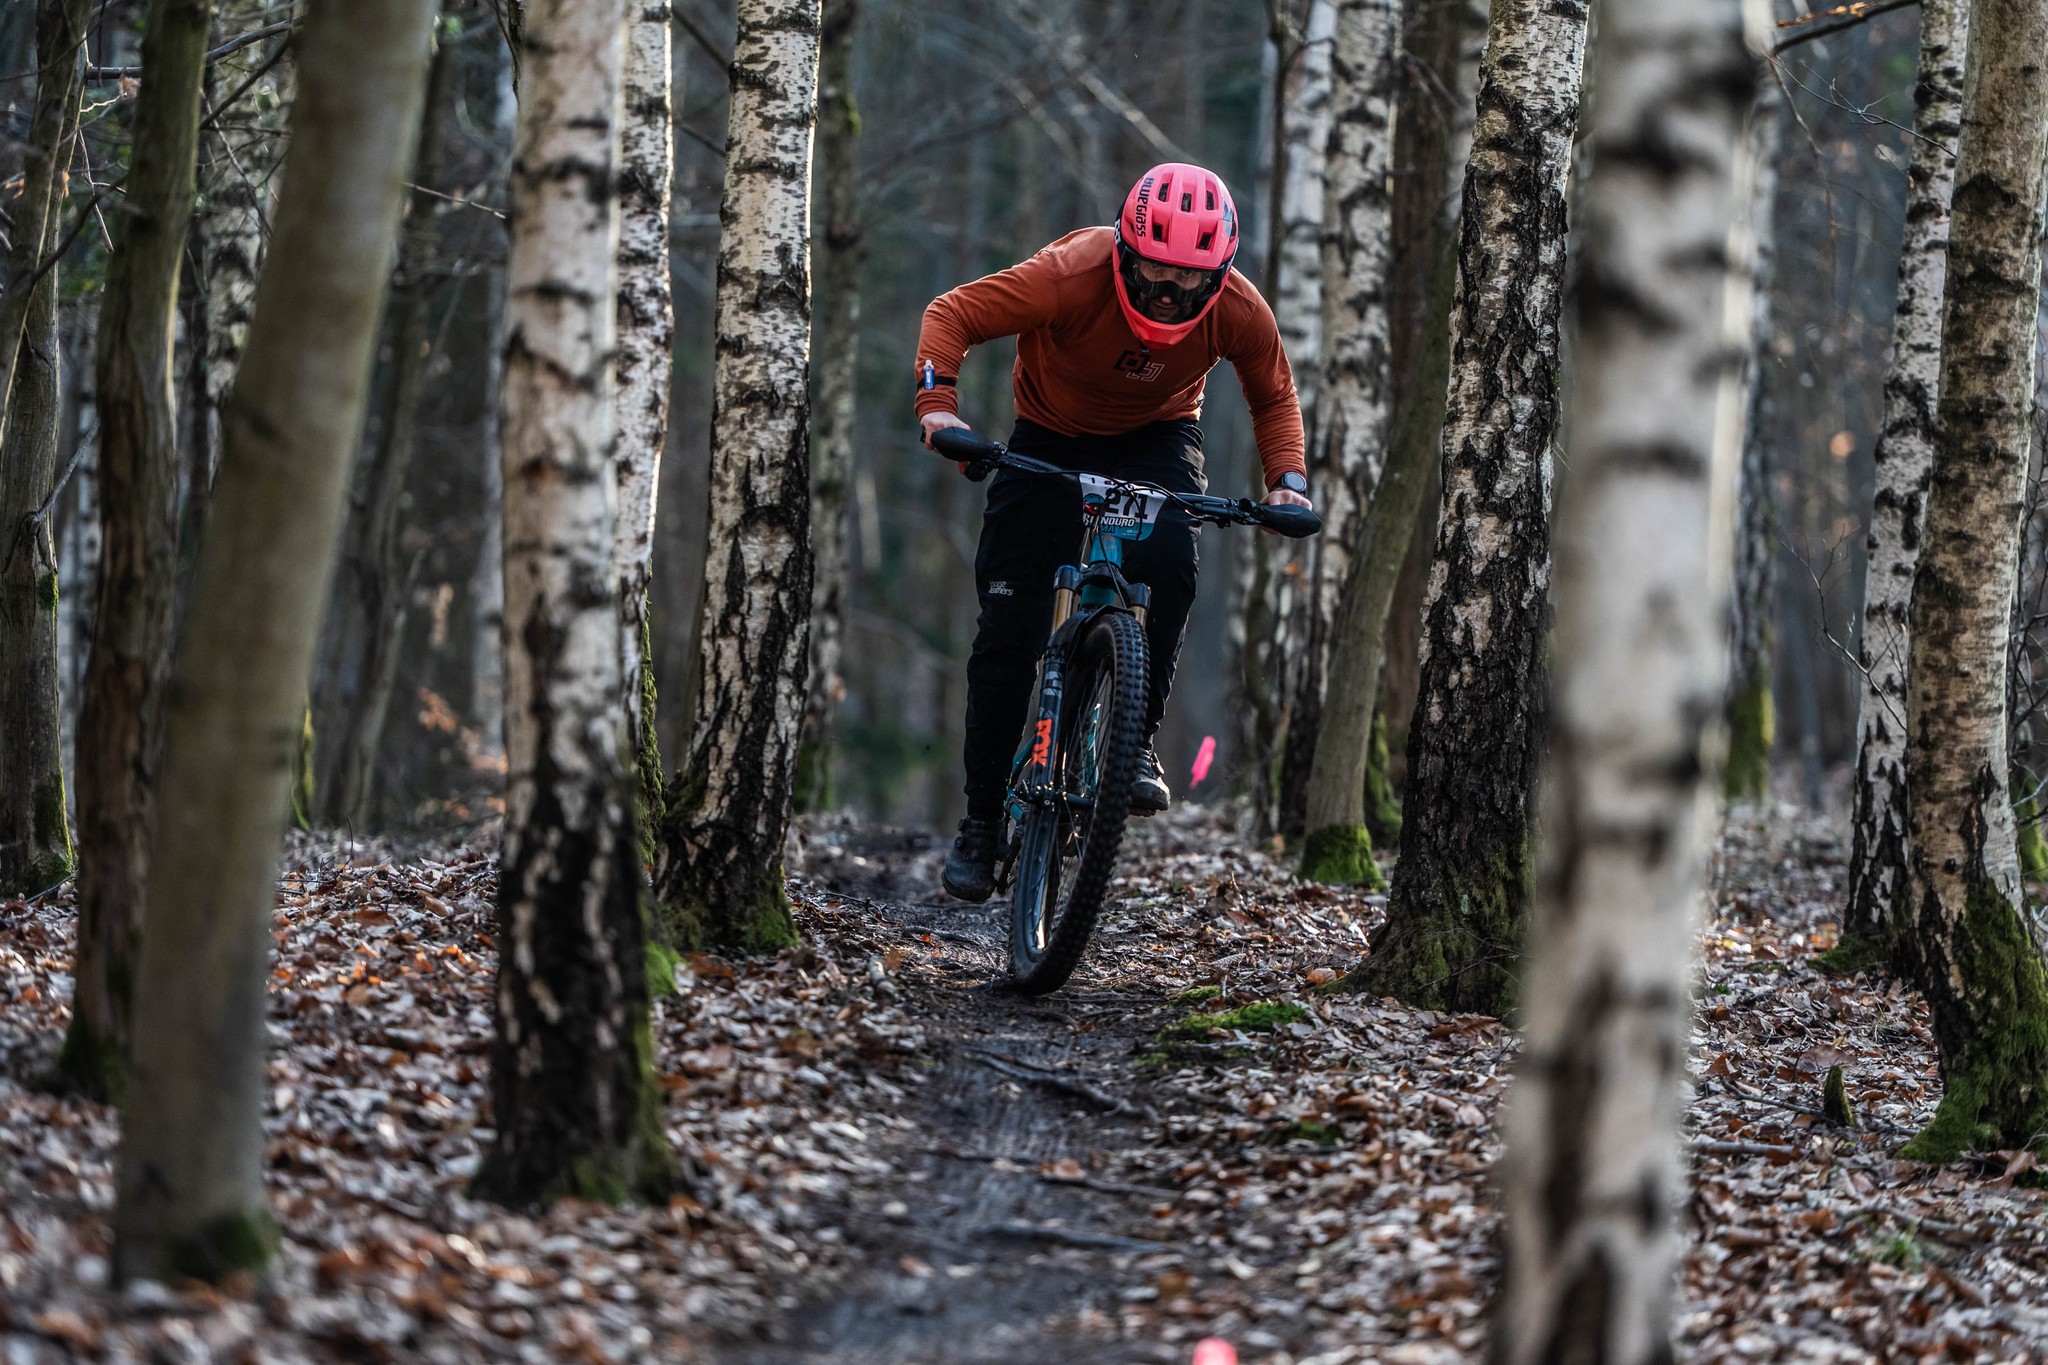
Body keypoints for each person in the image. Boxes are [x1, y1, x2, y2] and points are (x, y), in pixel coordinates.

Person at [916, 162, 1312, 903]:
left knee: (1172, 566)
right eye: (1156, 270)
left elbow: (1273, 394)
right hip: (1049, 435)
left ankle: (1135, 742)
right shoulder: (1069, 274)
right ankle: (980, 822)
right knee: (1008, 632)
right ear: (1126, 253)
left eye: (1190, 279)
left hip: (1157, 438)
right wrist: (939, 409)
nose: (1169, 292)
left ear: (1218, 275)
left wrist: (1286, 480)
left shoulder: (1240, 309)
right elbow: (952, 313)